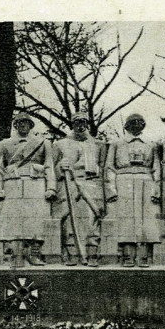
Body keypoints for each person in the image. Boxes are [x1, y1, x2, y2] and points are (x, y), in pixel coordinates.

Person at [0, 113, 57, 267]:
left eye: (26, 122)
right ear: (15, 125)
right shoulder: (4, 144)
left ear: (31, 125)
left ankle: (34, 254)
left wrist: (51, 187)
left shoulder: (42, 142)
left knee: (36, 219)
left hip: (35, 182)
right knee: (12, 219)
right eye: (19, 123)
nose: (22, 125)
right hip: (12, 183)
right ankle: (14, 255)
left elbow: (49, 165)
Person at [52, 112, 110, 267]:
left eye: (83, 122)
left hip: (91, 184)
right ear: (72, 124)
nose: (80, 125)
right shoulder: (60, 144)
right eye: (77, 122)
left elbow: (104, 168)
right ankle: (72, 254)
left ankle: (92, 254)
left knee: (92, 220)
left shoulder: (99, 144)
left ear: (88, 124)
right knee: (69, 221)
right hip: (69, 184)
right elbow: (51, 169)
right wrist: (60, 167)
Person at [105, 113, 162, 267]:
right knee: (125, 219)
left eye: (140, 122)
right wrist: (111, 190)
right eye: (133, 122)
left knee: (147, 220)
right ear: (127, 125)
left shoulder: (151, 144)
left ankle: (144, 256)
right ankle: (127, 256)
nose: (136, 125)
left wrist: (157, 190)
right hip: (124, 182)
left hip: (146, 181)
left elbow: (156, 167)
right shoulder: (117, 143)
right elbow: (109, 167)